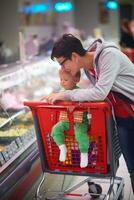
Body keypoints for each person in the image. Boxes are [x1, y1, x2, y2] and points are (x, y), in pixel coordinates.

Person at [46, 34, 134, 193]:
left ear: (73, 56)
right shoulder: (89, 69)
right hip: (122, 119)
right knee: (132, 170)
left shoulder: (108, 56)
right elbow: (101, 94)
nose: (62, 69)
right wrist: (74, 101)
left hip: (131, 113)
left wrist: (66, 95)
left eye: (62, 63)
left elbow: (99, 92)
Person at [51, 69, 90, 168]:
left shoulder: (80, 91)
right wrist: (52, 99)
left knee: (80, 134)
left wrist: (77, 104)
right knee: (55, 129)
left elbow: (87, 101)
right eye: (61, 79)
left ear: (76, 80)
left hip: (79, 120)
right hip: (65, 120)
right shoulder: (61, 92)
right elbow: (55, 99)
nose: (62, 82)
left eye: (66, 79)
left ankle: (84, 153)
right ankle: (62, 147)